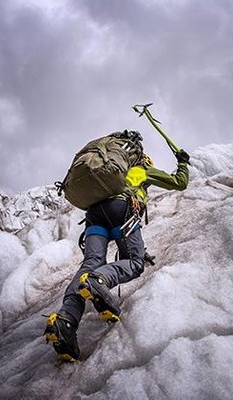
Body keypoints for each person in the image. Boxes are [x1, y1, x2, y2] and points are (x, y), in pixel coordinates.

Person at [44, 145, 190, 361]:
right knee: (134, 263)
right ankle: (98, 281)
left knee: (90, 263)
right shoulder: (141, 169)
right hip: (122, 211)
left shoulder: (116, 176)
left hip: (95, 215)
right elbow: (180, 183)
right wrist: (182, 163)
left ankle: (65, 320)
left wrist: (143, 249)